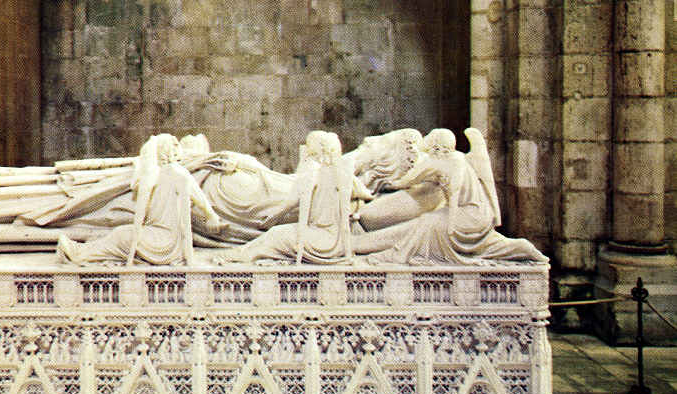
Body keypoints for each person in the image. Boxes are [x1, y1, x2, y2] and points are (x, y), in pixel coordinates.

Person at [354, 128, 549, 264]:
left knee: (425, 225)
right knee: (489, 244)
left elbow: (404, 182)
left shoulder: (435, 162)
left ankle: (388, 253)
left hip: (460, 217)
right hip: (480, 217)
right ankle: (525, 249)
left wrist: (377, 189)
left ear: (435, 145)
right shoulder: (462, 158)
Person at [56, 134, 226, 265]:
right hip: (156, 234)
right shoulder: (156, 175)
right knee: (121, 234)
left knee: (123, 235)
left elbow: (199, 200)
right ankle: (81, 252)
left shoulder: (178, 173)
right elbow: (139, 192)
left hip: (165, 241)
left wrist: (211, 217)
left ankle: (79, 254)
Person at [215, 131, 372, 264]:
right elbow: (367, 195)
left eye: (310, 147)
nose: (307, 150)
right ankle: (240, 253)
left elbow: (290, 203)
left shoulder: (314, 176)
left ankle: (242, 255)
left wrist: (272, 218)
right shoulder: (344, 177)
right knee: (276, 233)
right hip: (327, 238)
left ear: (319, 149)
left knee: (277, 236)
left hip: (323, 241)